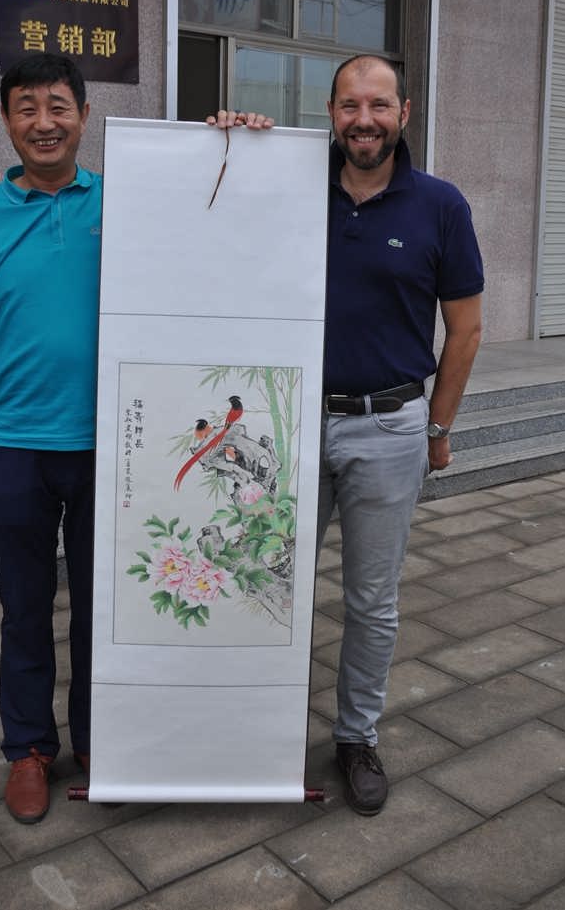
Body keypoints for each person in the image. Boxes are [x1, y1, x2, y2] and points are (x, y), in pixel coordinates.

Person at [210, 54, 483, 815]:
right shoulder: (291, 185)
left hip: (388, 427)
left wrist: (437, 427)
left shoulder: (440, 205)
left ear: (404, 113)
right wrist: (227, 140)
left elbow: (465, 330)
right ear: (330, 112)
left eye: (379, 105)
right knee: (268, 585)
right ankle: (257, 733)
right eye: (350, 105)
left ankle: (356, 737)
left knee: (371, 601)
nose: (365, 120)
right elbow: (215, 210)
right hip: (288, 424)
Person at [0, 53, 101, 824]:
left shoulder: (123, 203)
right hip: (13, 445)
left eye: (58, 106)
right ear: (6, 122)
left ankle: (101, 739)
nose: (44, 122)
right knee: (25, 607)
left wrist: (235, 134)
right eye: (27, 107)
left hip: (110, 445)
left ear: (84, 115)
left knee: (104, 607)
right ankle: (29, 749)